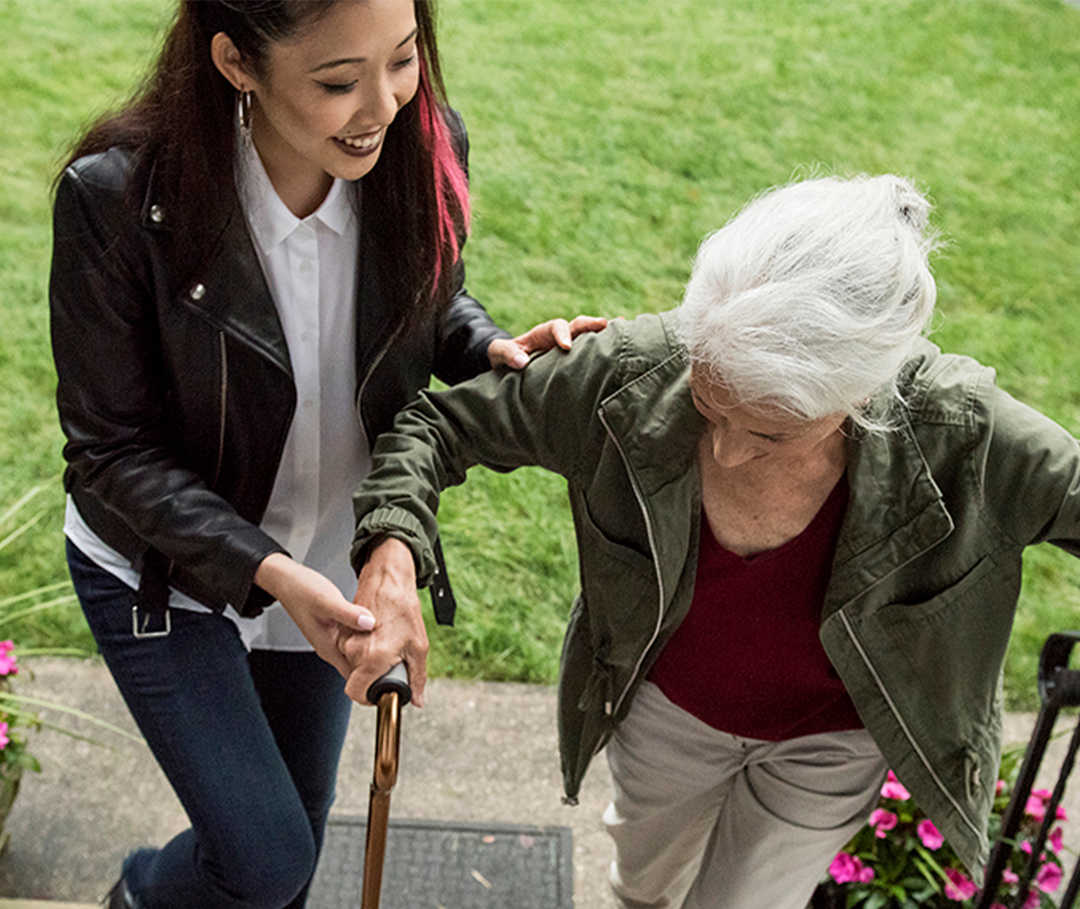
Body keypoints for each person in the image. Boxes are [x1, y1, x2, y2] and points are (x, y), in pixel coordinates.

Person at [342, 174, 1080, 908]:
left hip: (828, 744)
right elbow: (440, 426)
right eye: (706, 402)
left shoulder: (964, 432)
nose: (723, 452)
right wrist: (393, 552)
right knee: (643, 884)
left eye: (767, 432)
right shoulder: (632, 371)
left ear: (862, 396)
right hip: (668, 715)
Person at [48, 1, 603, 906]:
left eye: (403, 60)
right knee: (264, 860)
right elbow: (110, 454)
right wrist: (266, 572)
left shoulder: (422, 144)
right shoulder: (116, 199)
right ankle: (140, 898)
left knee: (291, 855)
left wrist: (489, 345)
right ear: (237, 62)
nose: (383, 105)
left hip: (325, 557)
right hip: (167, 567)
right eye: (340, 81)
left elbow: (427, 300)